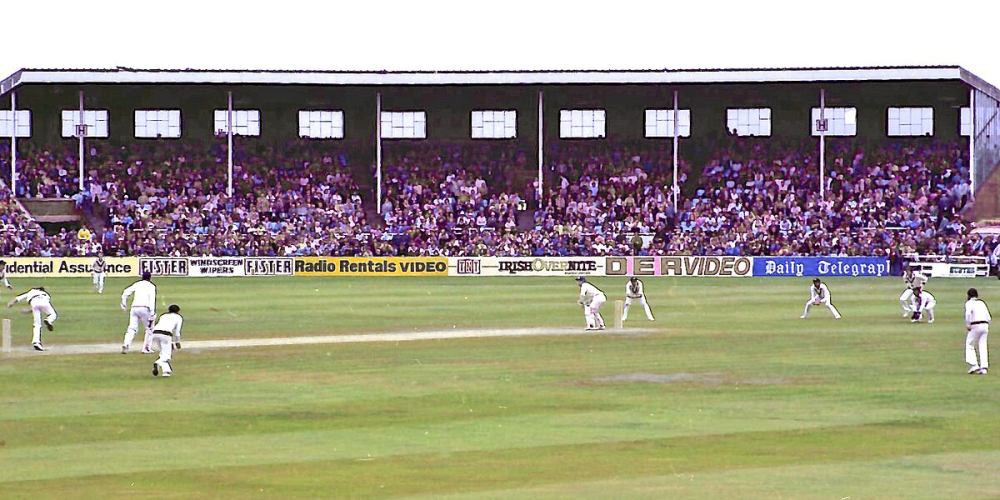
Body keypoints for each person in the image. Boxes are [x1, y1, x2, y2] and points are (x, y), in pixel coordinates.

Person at [6, 286, 57, 351]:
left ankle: (36, 342)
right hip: (44, 302)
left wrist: (10, 303)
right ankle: (48, 320)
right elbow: (42, 305)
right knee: (53, 314)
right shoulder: (45, 294)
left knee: (37, 324)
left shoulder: (30, 292)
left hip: (34, 303)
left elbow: (17, 298)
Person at [121, 271, 157, 354]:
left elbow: (126, 292)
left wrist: (124, 303)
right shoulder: (151, 286)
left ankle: (126, 344)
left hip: (134, 308)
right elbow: (152, 299)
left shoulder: (137, 284)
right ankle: (146, 348)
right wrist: (152, 312)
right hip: (145, 308)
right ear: (150, 277)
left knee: (132, 328)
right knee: (149, 329)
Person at [149, 304, 183, 378]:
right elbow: (177, 332)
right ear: (178, 311)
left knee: (163, 352)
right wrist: (177, 342)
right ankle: (157, 362)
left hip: (155, 333)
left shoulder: (164, 315)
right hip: (165, 334)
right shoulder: (178, 317)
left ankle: (166, 372)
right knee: (167, 355)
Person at [965, 287, 991, 375]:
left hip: (975, 324)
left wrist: (968, 324)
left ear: (968, 296)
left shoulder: (969, 303)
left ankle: (974, 364)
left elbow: (968, 313)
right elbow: (988, 317)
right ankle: (984, 367)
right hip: (985, 324)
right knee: (982, 345)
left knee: (969, 344)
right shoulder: (982, 303)